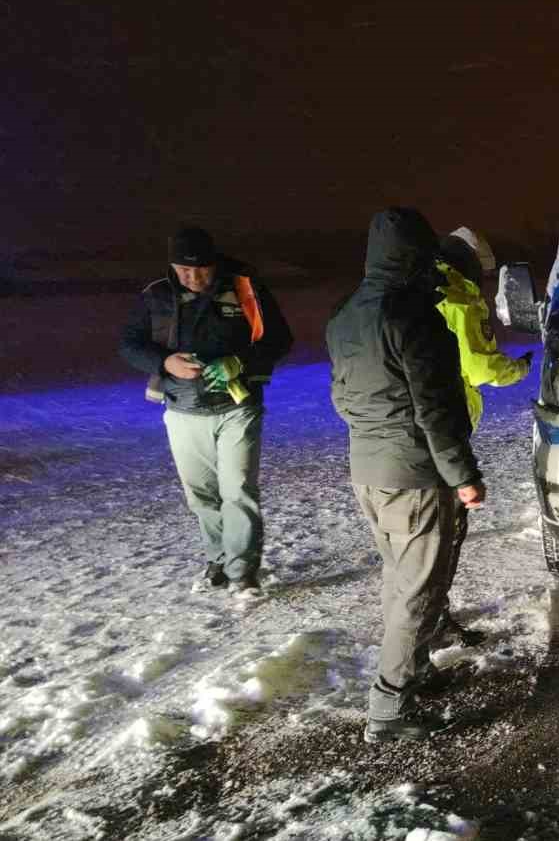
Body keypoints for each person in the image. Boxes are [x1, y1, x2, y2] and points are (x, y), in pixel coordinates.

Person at [327, 208, 486, 742]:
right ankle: (389, 709)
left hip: (369, 471)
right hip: (416, 476)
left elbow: (342, 397)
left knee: (401, 579)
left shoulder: (345, 314)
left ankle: (413, 673)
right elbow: (435, 410)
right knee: (419, 590)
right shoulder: (414, 317)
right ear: (419, 257)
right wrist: (462, 474)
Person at [119, 226, 293, 597]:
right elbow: (129, 345)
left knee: (238, 491)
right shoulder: (157, 295)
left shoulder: (246, 287)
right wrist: (166, 362)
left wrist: (238, 361)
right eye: (183, 270)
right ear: (171, 266)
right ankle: (218, 559)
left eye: (201, 269)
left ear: (215, 263)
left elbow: (280, 339)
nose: (193, 277)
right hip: (182, 409)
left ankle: (242, 572)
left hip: (237, 406)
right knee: (201, 495)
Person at [429, 226, 532, 649]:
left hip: (395, 430)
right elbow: (481, 368)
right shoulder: (460, 297)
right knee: (444, 533)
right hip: (443, 426)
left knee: (419, 539)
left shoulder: (417, 287)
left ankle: (426, 621)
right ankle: (430, 626)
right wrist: (520, 369)